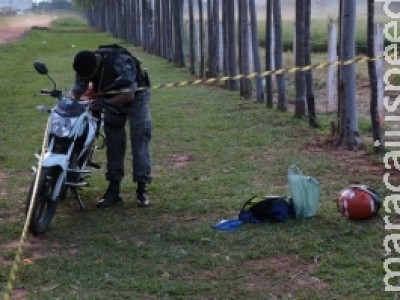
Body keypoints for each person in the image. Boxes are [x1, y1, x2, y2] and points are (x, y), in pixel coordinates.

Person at [71, 44, 152, 208]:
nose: (87, 79)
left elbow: (128, 95)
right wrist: (72, 104)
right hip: (108, 99)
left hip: (135, 98)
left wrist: (102, 103)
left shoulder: (120, 61)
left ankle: (141, 189)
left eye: (90, 76)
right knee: (114, 142)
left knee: (139, 139)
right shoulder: (85, 66)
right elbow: (77, 91)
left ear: (96, 63)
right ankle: (113, 190)